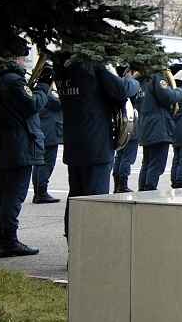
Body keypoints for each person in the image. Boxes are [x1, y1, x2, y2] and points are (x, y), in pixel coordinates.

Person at [58, 56, 139, 238]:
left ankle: (74, 245)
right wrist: (133, 81)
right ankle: (92, 247)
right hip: (96, 144)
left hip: (74, 143)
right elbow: (122, 90)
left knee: (76, 198)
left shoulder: (63, 67)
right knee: (96, 201)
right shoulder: (93, 65)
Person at [0, 52, 49, 257]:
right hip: (20, 144)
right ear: (14, 59)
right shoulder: (14, 81)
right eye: (22, 58)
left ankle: (2, 240)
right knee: (14, 195)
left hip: (5, 143)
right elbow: (33, 105)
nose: (24, 62)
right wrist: (43, 86)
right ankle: (9, 242)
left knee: (4, 194)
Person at [136, 67, 182, 191]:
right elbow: (168, 97)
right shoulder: (156, 77)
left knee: (147, 163)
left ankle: (142, 191)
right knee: (157, 164)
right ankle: (149, 190)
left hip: (146, 126)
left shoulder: (140, 80)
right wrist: (179, 91)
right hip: (159, 128)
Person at [31, 68, 62, 204]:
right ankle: (41, 192)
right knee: (47, 164)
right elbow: (59, 104)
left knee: (39, 164)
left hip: (43, 130)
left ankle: (38, 192)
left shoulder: (36, 91)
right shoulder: (45, 94)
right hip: (49, 132)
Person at [112, 64, 143, 192]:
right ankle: (122, 184)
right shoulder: (130, 83)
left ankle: (117, 184)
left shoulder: (116, 82)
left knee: (119, 156)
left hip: (121, 123)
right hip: (130, 124)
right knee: (127, 158)